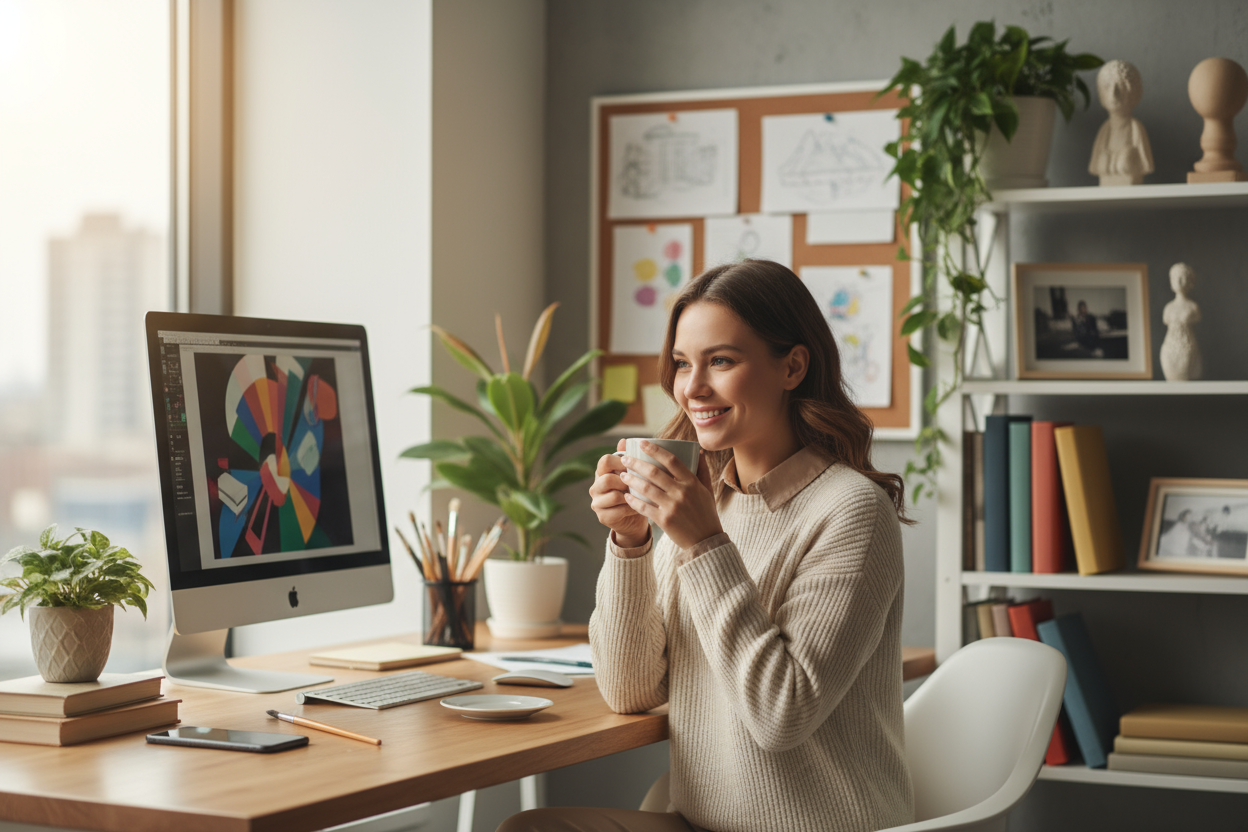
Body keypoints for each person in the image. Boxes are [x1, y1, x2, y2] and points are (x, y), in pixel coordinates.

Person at [498, 260, 914, 832]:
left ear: (792, 366)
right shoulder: (704, 500)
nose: (691, 388)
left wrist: (704, 543)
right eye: (681, 363)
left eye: (720, 361)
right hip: (698, 819)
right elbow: (629, 691)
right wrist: (630, 542)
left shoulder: (851, 511)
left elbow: (780, 715)